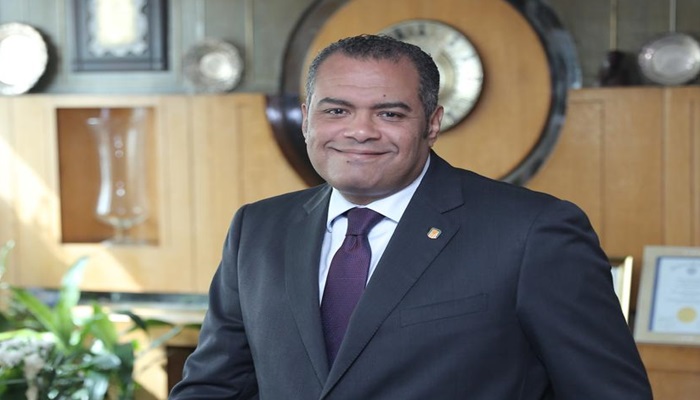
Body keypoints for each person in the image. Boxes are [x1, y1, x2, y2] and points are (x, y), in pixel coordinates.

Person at [169, 34, 652, 399]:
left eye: (390, 114)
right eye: (336, 111)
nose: (360, 131)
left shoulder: (533, 232)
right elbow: (215, 387)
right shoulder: (257, 229)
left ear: (432, 123)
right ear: (307, 117)